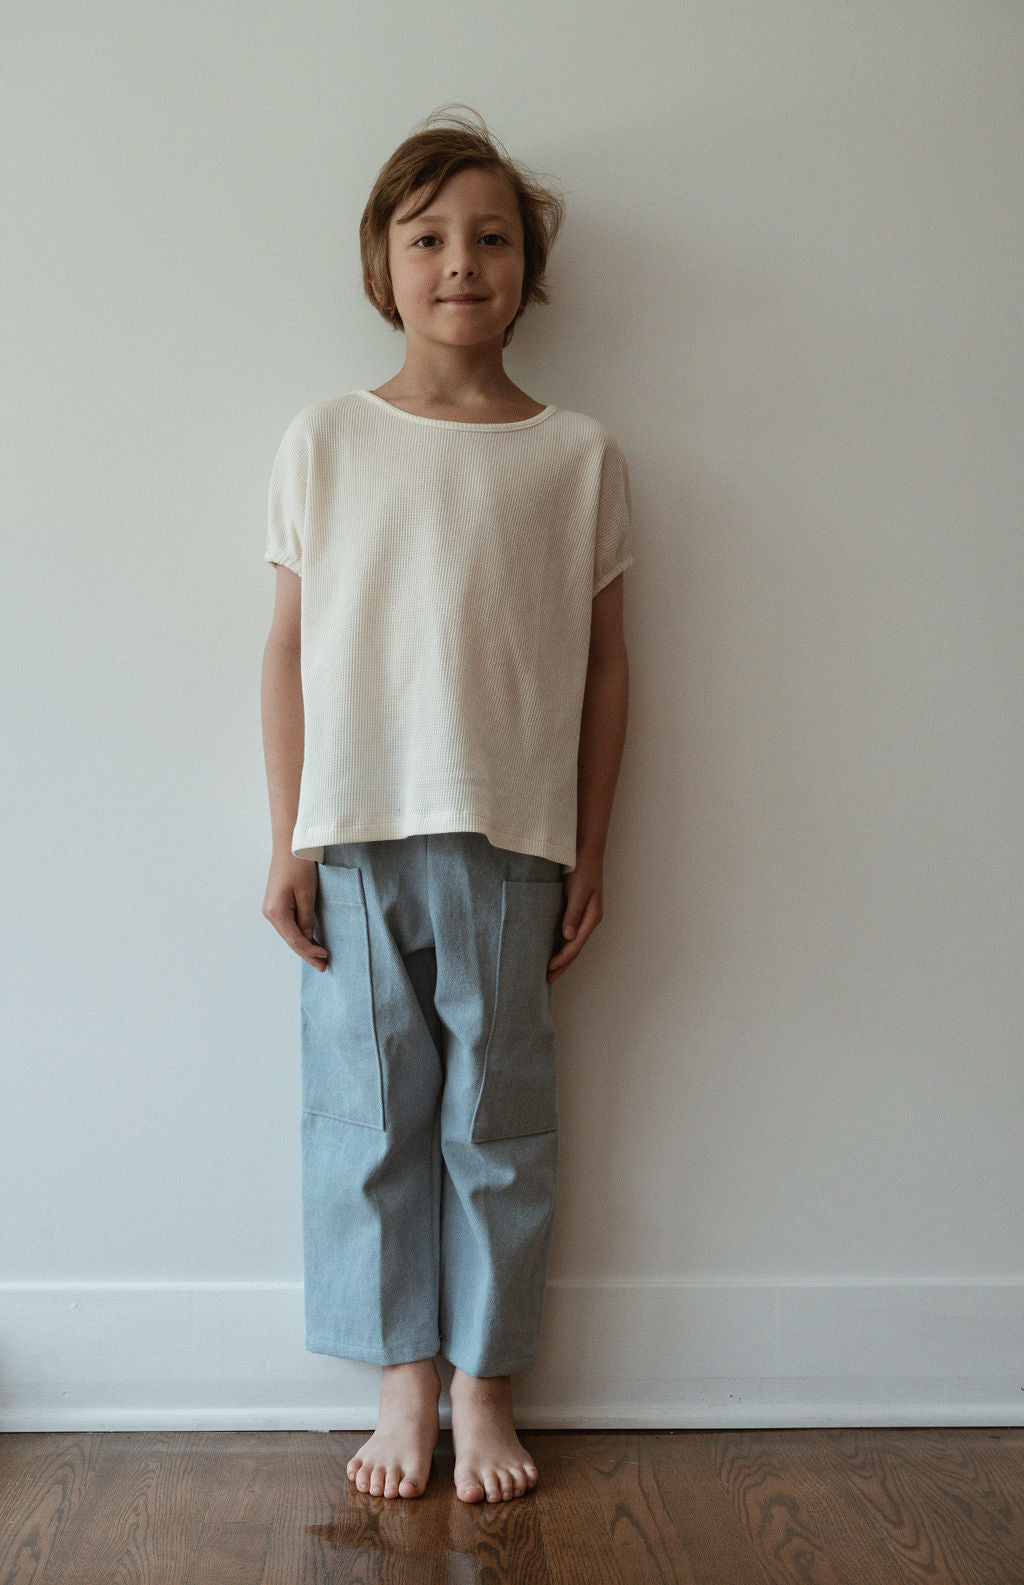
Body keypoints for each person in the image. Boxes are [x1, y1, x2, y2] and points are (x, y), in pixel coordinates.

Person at [260, 104, 633, 1505]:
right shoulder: (325, 439)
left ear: (528, 270)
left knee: (498, 1117)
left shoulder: (578, 455)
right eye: (427, 238)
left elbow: (608, 667)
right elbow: (287, 650)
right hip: (355, 837)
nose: (460, 262)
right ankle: (401, 1380)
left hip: (512, 838)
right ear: (383, 266)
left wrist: (592, 844)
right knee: (364, 1118)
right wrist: (290, 835)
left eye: (491, 239)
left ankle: (486, 1383)